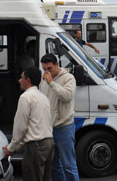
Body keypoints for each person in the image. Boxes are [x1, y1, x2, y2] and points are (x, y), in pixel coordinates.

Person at [3, 67, 54, 181]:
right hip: (49, 144)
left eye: (21, 77)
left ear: (28, 80)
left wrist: (11, 148)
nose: (19, 80)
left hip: (36, 147)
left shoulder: (25, 97)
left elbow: (21, 127)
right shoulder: (43, 97)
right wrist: (16, 147)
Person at [40, 53, 79, 181]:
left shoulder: (69, 78)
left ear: (57, 64)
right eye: (44, 69)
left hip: (64, 127)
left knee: (69, 165)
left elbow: (67, 96)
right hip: (48, 128)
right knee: (53, 165)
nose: (47, 72)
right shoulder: (44, 80)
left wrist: (51, 83)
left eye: (49, 68)